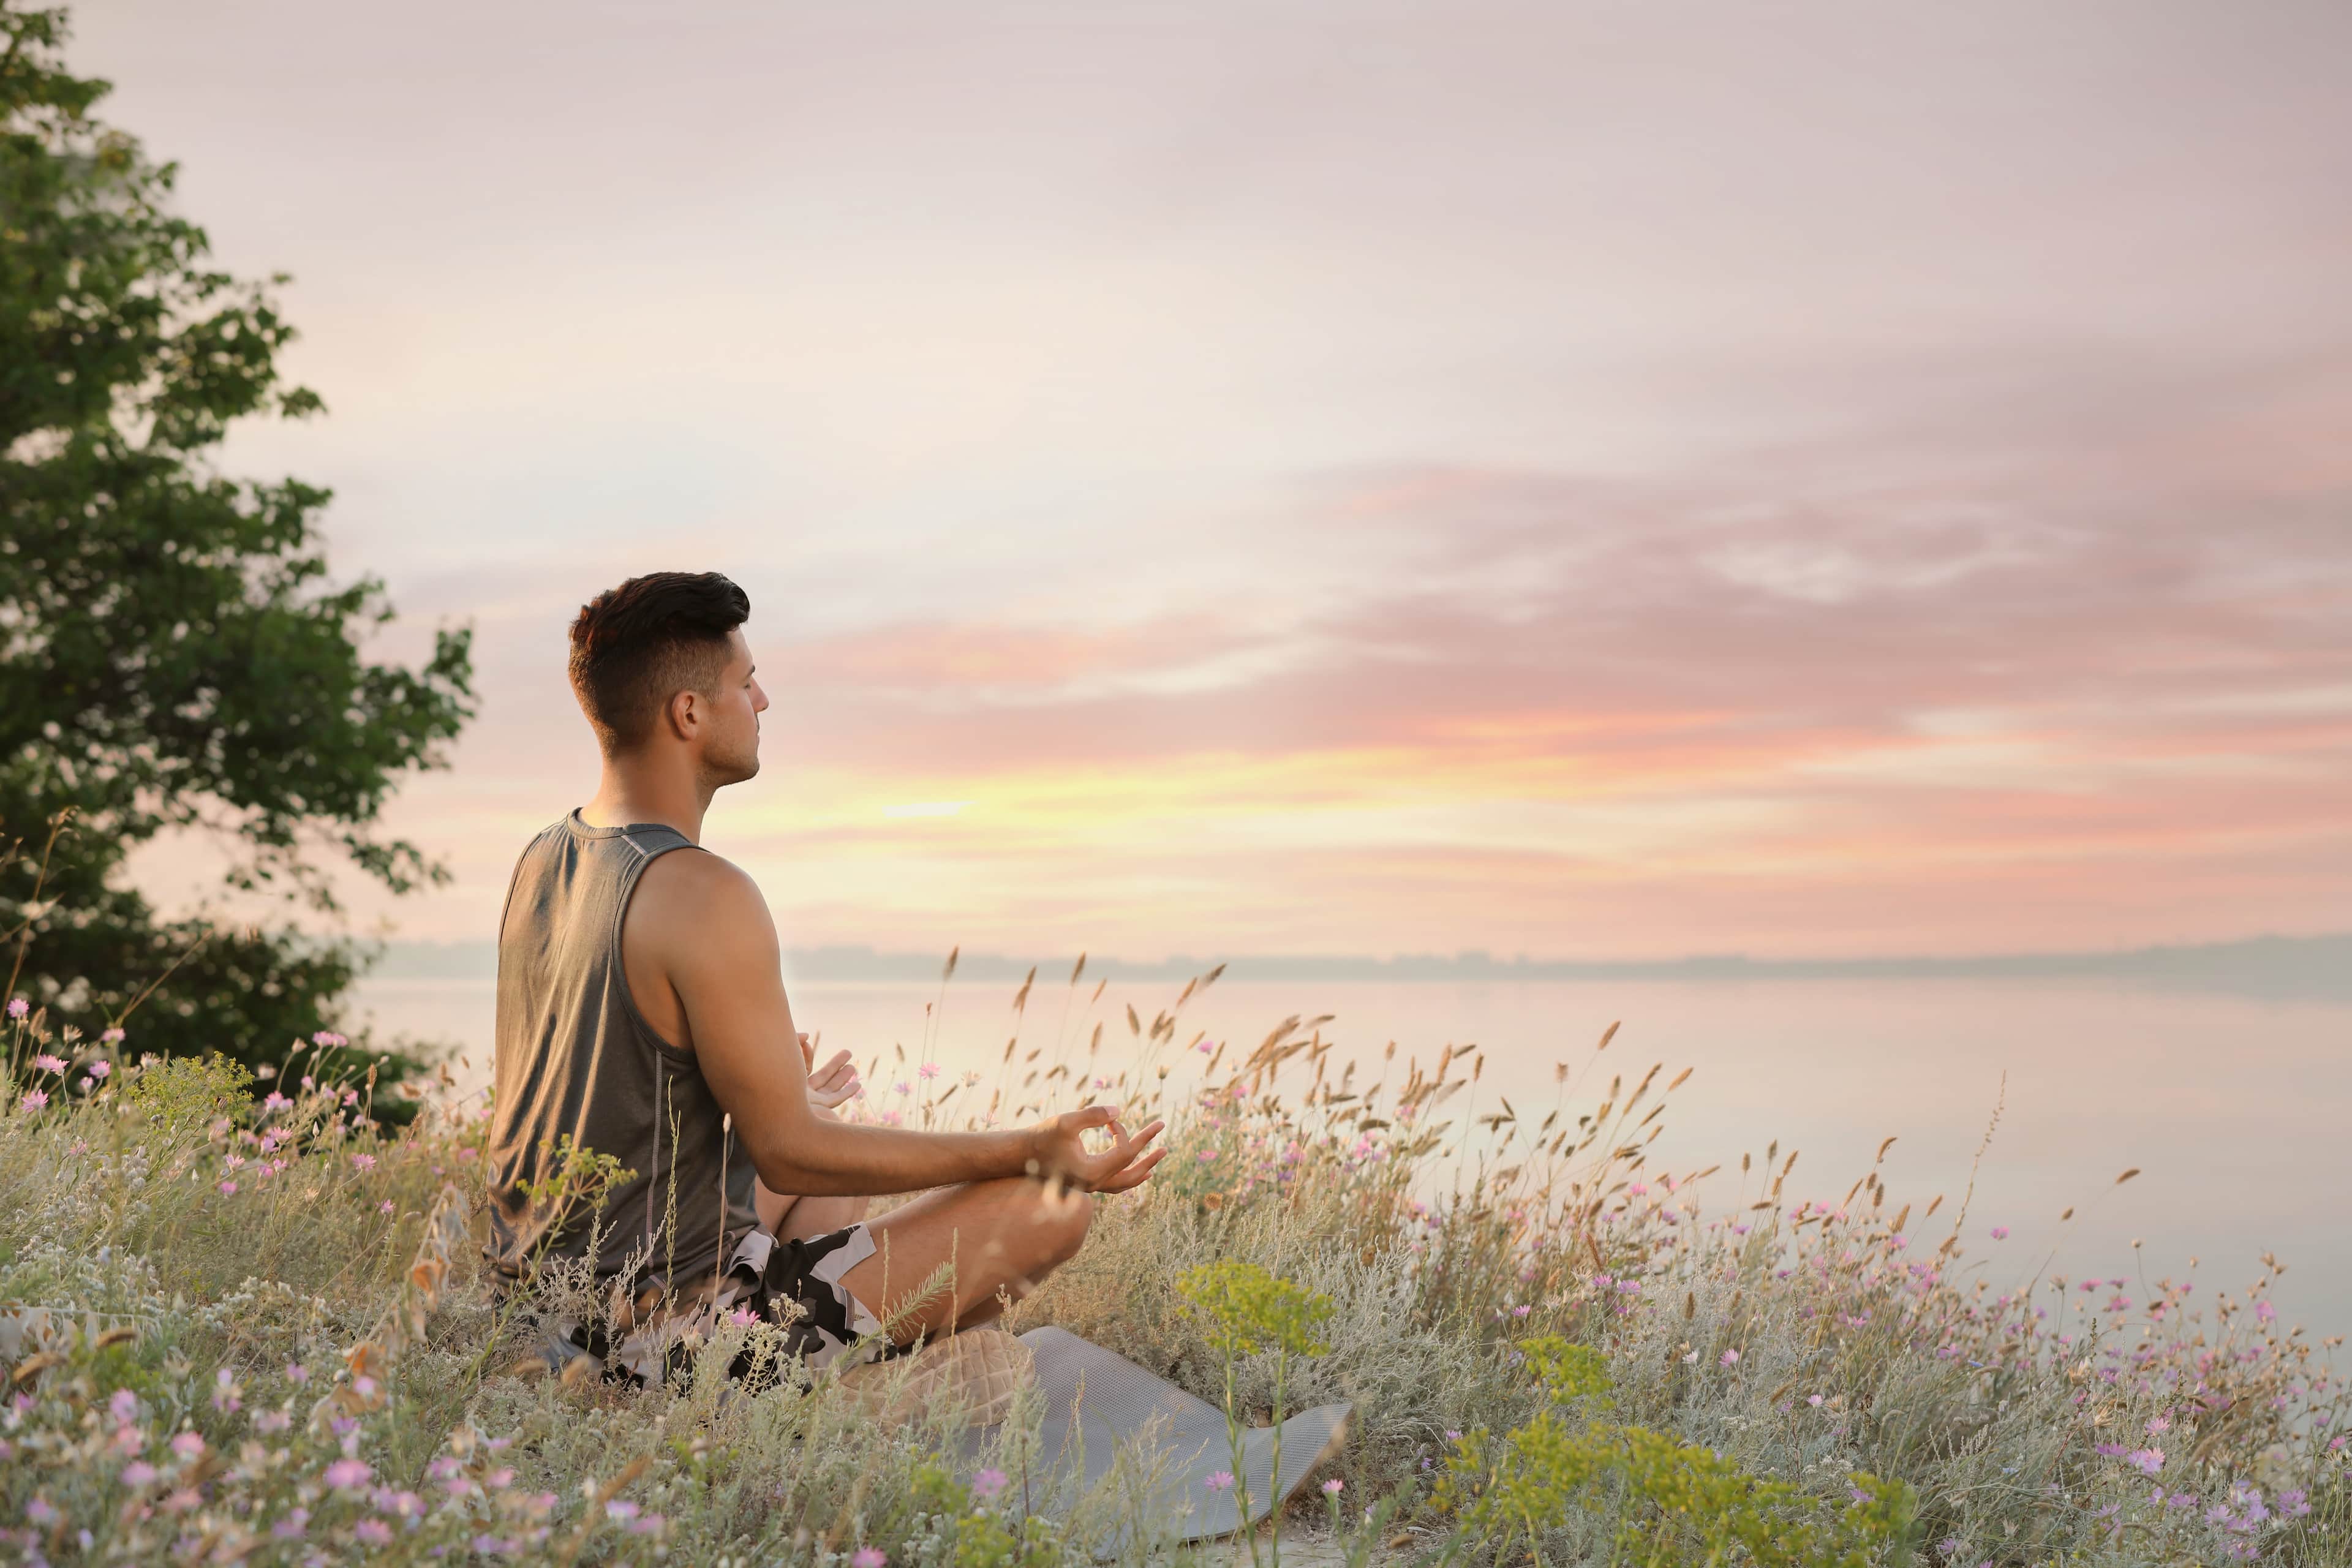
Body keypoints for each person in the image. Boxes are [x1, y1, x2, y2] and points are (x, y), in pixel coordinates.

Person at [484, 571, 1164, 1379]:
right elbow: (793, 1157)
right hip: (651, 1341)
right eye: (745, 682)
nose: (763, 700)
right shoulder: (702, 891)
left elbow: (599, 1103)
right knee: (1048, 1208)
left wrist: (771, 1104)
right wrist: (1029, 1147)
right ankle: (807, 1401)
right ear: (689, 713)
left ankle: (822, 1368)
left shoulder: (543, 858)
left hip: (531, 1312)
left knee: (828, 1176)